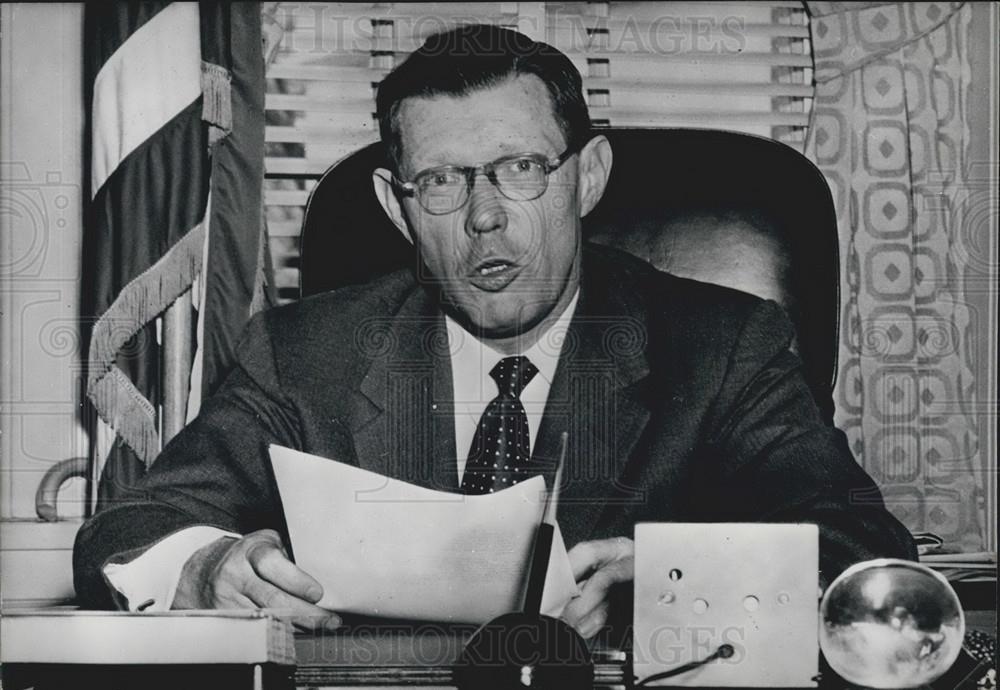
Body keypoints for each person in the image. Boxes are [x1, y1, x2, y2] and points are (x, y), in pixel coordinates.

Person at [74, 24, 915, 639]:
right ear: (392, 206)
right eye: (439, 180)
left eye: (520, 169)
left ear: (585, 177)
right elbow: (128, 530)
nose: (484, 217)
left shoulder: (722, 346)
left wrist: (673, 579)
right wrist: (204, 570)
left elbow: (863, 552)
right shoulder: (303, 354)